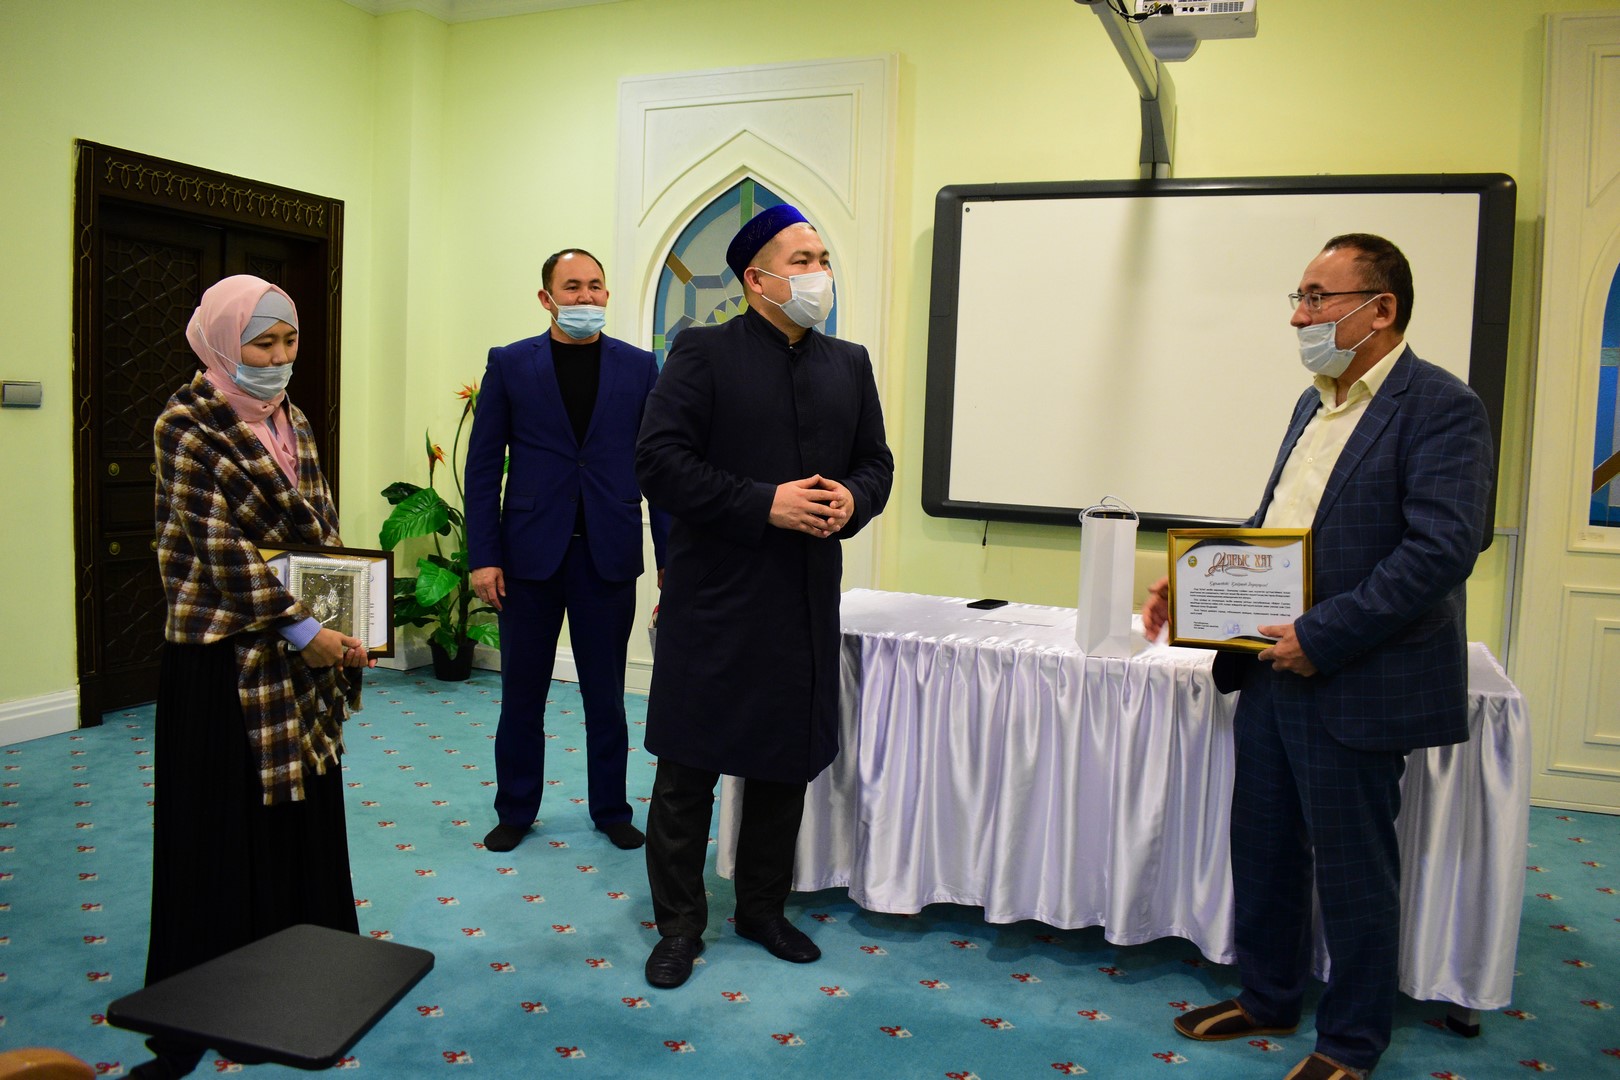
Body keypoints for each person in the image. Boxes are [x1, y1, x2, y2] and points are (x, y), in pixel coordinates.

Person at [1141, 234, 1494, 1080]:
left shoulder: (1441, 406)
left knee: (1353, 868)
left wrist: (1323, 636)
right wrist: (1193, 587)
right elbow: (1280, 528)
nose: (1299, 318)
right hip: (1271, 668)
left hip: (1357, 678)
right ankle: (1267, 995)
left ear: (1381, 310)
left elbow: (1441, 551)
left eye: (1316, 298)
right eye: (1297, 298)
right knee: (1263, 847)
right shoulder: (1314, 404)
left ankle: (1351, 1042)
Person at [634, 204, 894, 989]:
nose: (820, 273)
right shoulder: (704, 352)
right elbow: (659, 461)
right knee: (688, 773)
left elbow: (876, 463)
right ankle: (679, 927)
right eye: (803, 260)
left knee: (784, 765)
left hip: (802, 598)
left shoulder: (848, 363)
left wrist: (853, 498)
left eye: (823, 259)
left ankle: (762, 909)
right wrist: (764, 503)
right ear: (757, 279)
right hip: (715, 597)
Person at [143, 276, 370, 1077]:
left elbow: (320, 529)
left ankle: (309, 979)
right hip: (224, 659)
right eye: (261, 343)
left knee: (300, 819)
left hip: (298, 659)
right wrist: (304, 627)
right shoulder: (185, 423)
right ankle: (204, 1007)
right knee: (219, 835)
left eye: (289, 341)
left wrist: (345, 618)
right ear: (219, 341)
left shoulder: (291, 417)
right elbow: (220, 550)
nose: (277, 358)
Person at [464, 249, 668, 853]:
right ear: (546, 298)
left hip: (608, 552)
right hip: (527, 557)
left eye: (595, 286)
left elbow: (660, 468)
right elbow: (483, 467)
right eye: (572, 287)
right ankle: (515, 809)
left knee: (605, 696)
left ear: (607, 295)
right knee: (522, 696)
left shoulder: (639, 367)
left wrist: (673, 560)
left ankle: (611, 809)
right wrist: (483, 556)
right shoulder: (510, 363)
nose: (585, 297)